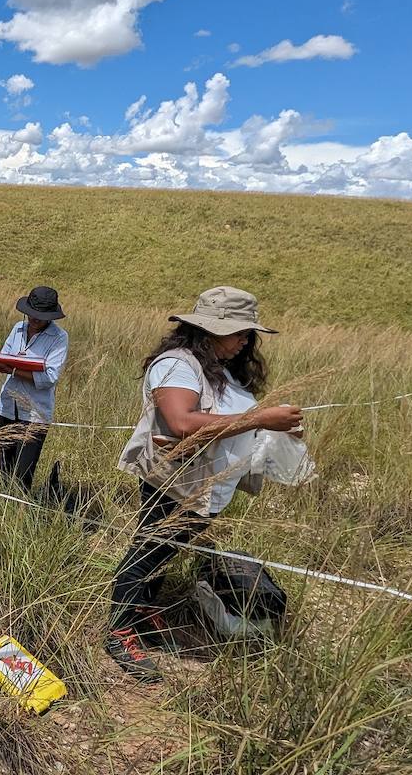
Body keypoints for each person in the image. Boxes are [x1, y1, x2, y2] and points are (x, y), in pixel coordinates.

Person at [107, 286, 304, 683]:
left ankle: (141, 610)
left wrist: (275, 430)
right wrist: (262, 420)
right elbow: (181, 422)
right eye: (238, 332)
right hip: (177, 483)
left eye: (249, 334)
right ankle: (119, 630)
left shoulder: (219, 368)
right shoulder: (178, 366)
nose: (244, 341)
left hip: (207, 487)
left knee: (165, 552)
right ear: (208, 330)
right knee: (149, 550)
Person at [0, 286, 69, 498]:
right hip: (7, 406)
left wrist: (15, 369)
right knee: (4, 468)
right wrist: (2, 364)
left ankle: (19, 512)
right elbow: (5, 354)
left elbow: (50, 377)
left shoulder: (59, 337)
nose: (34, 319)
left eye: (40, 316)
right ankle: (2, 511)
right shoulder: (17, 328)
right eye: (32, 314)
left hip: (35, 413)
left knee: (23, 473)